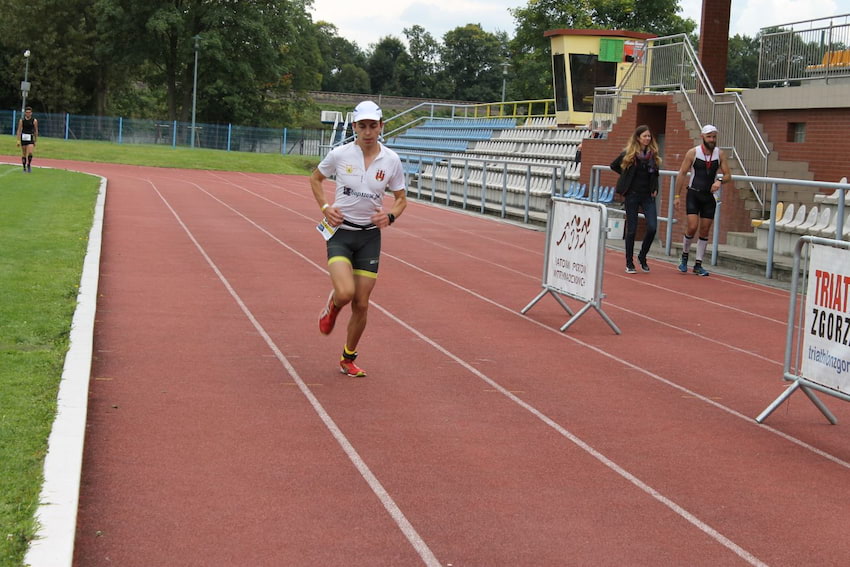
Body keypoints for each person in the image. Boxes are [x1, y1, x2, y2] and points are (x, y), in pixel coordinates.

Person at [310, 100, 407, 377]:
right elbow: (315, 179)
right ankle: (332, 305)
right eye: (362, 126)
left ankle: (347, 358)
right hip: (341, 232)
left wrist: (389, 217)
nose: (367, 132)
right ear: (354, 127)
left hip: (369, 237)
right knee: (345, 293)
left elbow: (401, 199)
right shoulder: (340, 154)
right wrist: (326, 209)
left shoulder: (391, 160)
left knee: (361, 303)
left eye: (372, 126)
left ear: (381, 127)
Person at [673, 124, 732, 276]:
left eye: (714, 137)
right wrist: (677, 196)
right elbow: (682, 173)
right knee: (692, 226)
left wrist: (719, 181)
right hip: (693, 194)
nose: (712, 140)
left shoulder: (720, 154)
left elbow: (728, 175)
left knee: (705, 230)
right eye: (709, 137)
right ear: (702, 137)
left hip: (709, 196)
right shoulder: (693, 153)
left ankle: (698, 263)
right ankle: (685, 256)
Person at [610, 125, 661, 274]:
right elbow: (614, 165)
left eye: (649, 136)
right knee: (631, 230)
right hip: (632, 194)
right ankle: (629, 262)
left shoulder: (653, 155)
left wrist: (655, 188)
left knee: (652, 227)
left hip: (647, 195)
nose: (647, 138)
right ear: (638, 138)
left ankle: (642, 255)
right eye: (645, 136)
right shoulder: (629, 154)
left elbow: (655, 174)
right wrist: (625, 177)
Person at [15, 106, 38, 173]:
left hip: (30, 137)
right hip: (23, 138)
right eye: (27, 112)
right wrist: (18, 140)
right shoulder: (22, 120)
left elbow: (36, 130)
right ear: (25, 113)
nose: (28, 114)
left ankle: (29, 165)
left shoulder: (34, 121)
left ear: (31, 113)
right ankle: (24, 168)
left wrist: (35, 140)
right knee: (24, 153)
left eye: (29, 112)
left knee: (30, 152)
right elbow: (19, 130)